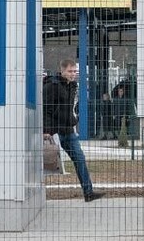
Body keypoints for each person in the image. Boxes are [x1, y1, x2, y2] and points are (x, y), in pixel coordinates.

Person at [43, 59, 104, 202]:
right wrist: (47, 130)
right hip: (55, 131)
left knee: (80, 159)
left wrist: (73, 120)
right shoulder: (52, 85)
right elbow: (46, 109)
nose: (73, 74)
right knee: (48, 163)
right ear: (62, 71)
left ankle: (88, 192)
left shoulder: (72, 86)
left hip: (68, 129)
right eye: (70, 71)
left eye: (75, 71)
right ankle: (38, 191)